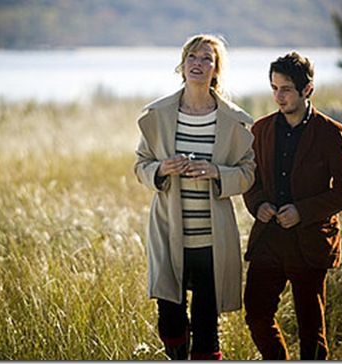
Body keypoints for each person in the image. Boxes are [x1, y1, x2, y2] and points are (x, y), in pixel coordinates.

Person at [133, 34, 255, 360]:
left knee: (206, 326)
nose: (197, 64)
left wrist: (218, 172)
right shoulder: (157, 115)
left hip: (212, 242)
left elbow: (248, 173)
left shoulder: (233, 120)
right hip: (169, 232)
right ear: (182, 64)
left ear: (216, 70)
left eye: (206, 59)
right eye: (192, 57)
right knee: (170, 319)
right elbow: (140, 166)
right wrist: (161, 168)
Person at [242, 51, 342, 360]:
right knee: (256, 315)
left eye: (286, 89)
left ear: (307, 89)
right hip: (269, 238)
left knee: (311, 330)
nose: (278, 96)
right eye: (274, 88)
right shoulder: (261, 130)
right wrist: (259, 204)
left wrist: (302, 211)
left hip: (310, 241)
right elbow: (251, 182)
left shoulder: (332, 133)